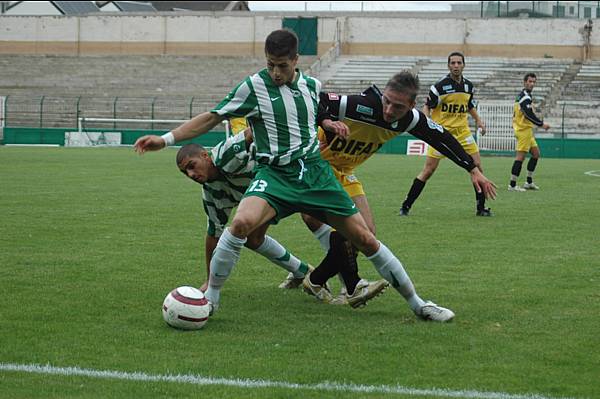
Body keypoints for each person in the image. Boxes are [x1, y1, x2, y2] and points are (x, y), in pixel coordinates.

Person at [135, 29, 490, 322]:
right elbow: (212, 117)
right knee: (241, 224)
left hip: (316, 173)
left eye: (282, 66)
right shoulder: (253, 87)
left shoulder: (311, 86)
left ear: (295, 62)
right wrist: (165, 139)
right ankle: (212, 299)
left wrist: (472, 166)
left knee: (366, 240)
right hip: (274, 174)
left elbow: (315, 109)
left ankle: (418, 305)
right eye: (270, 65)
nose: (275, 73)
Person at [294, 71, 498, 307]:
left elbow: (442, 137)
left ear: (412, 105)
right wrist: (325, 123)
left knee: (366, 233)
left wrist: (472, 169)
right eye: (387, 101)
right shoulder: (359, 105)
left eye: (398, 106)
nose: (389, 110)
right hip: (319, 167)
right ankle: (345, 284)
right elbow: (313, 99)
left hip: (345, 172)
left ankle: (318, 279)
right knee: (353, 231)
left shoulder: (410, 119)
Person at [175, 129, 312, 292]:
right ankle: (304, 272)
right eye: (185, 172)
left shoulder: (225, 153)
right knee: (253, 238)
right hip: (273, 196)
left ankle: (344, 285)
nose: (190, 174)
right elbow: (213, 234)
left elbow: (252, 131)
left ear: (205, 156)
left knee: (316, 218)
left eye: (192, 166)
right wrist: (209, 280)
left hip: (292, 175)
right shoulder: (211, 192)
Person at [399, 52, 491, 217]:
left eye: (459, 63)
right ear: (448, 66)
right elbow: (427, 106)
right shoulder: (440, 87)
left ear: (464, 65)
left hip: (463, 133)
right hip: (442, 134)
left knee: (477, 167)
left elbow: (469, 105)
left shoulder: (469, 86)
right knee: (428, 170)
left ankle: (481, 208)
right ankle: (406, 206)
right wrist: (425, 121)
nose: (456, 66)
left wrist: (479, 121)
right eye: (453, 63)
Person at [508, 73, 550, 192]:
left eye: (533, 82)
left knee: (536, 154)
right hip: (523, 131)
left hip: (526, 130)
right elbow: (528, 114)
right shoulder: (525, 97)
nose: (532, 84)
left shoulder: (523, 96)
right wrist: (541, 124)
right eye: (530, 81)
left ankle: (529, 182)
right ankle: (512, 185)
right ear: (524, 82)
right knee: (520, 158)